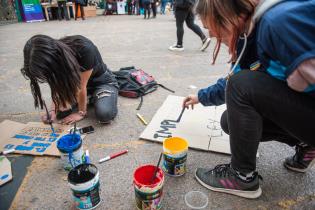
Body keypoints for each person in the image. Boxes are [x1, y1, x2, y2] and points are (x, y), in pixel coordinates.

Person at [183, 0, 315, 199]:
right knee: (230, 120)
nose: (211, 35)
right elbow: (237, 81)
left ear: (226, 16)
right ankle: (306, 144)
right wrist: (201, 96)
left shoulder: (278, 23)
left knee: (240, 85)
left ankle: (242, 177)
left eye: (210, 28)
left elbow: (240, 84)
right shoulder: (248, 35)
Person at [21, 35, 119, 125]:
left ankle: (92, 98)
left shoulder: (84, 48)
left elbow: (81, 87)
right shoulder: (53, 58)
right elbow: (57, 85)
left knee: (104, 113)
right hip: (77, 86)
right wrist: (52, 111)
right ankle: (90, 99)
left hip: (100, 82)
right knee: (61, 113)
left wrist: (81, 113)